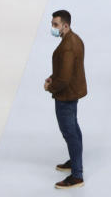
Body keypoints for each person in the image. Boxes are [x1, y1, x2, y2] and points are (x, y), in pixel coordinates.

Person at [45, 10, 87, 190]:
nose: (53, 28)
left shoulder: (68, 47)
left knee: (69, 131)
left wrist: (51, 86)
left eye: (56, 25)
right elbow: (64, 70)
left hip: (66, 95)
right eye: (52, 24)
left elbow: (65, 78)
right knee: (74, 129)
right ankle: (75, 160)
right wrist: (53, 76)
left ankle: (77, 174)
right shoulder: (75, 39)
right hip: (72, 92)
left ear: (66, 25)